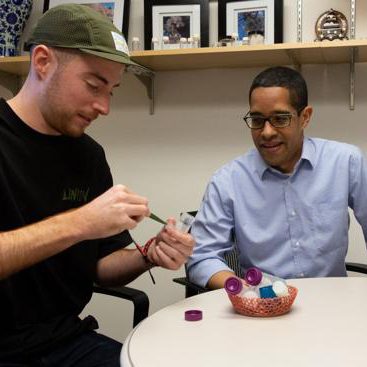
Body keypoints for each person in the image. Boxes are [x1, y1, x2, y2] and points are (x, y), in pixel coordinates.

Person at [0, 4, 194, 366]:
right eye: (93, 85)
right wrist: (81, 222)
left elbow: (100, 266)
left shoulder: (88, 156)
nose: (104, 106)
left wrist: (148, 254)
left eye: (112, 91)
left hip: (63, 342)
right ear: (42, 62)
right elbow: (80, 227)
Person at [187, 66, 367, 289]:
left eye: (280, 118)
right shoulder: (227, 181)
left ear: (305, 117)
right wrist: (244, 291)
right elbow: (202, 257)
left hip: (331, 302)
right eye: (257, 119)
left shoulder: (345, 162)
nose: (267, 132)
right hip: (260, 305)